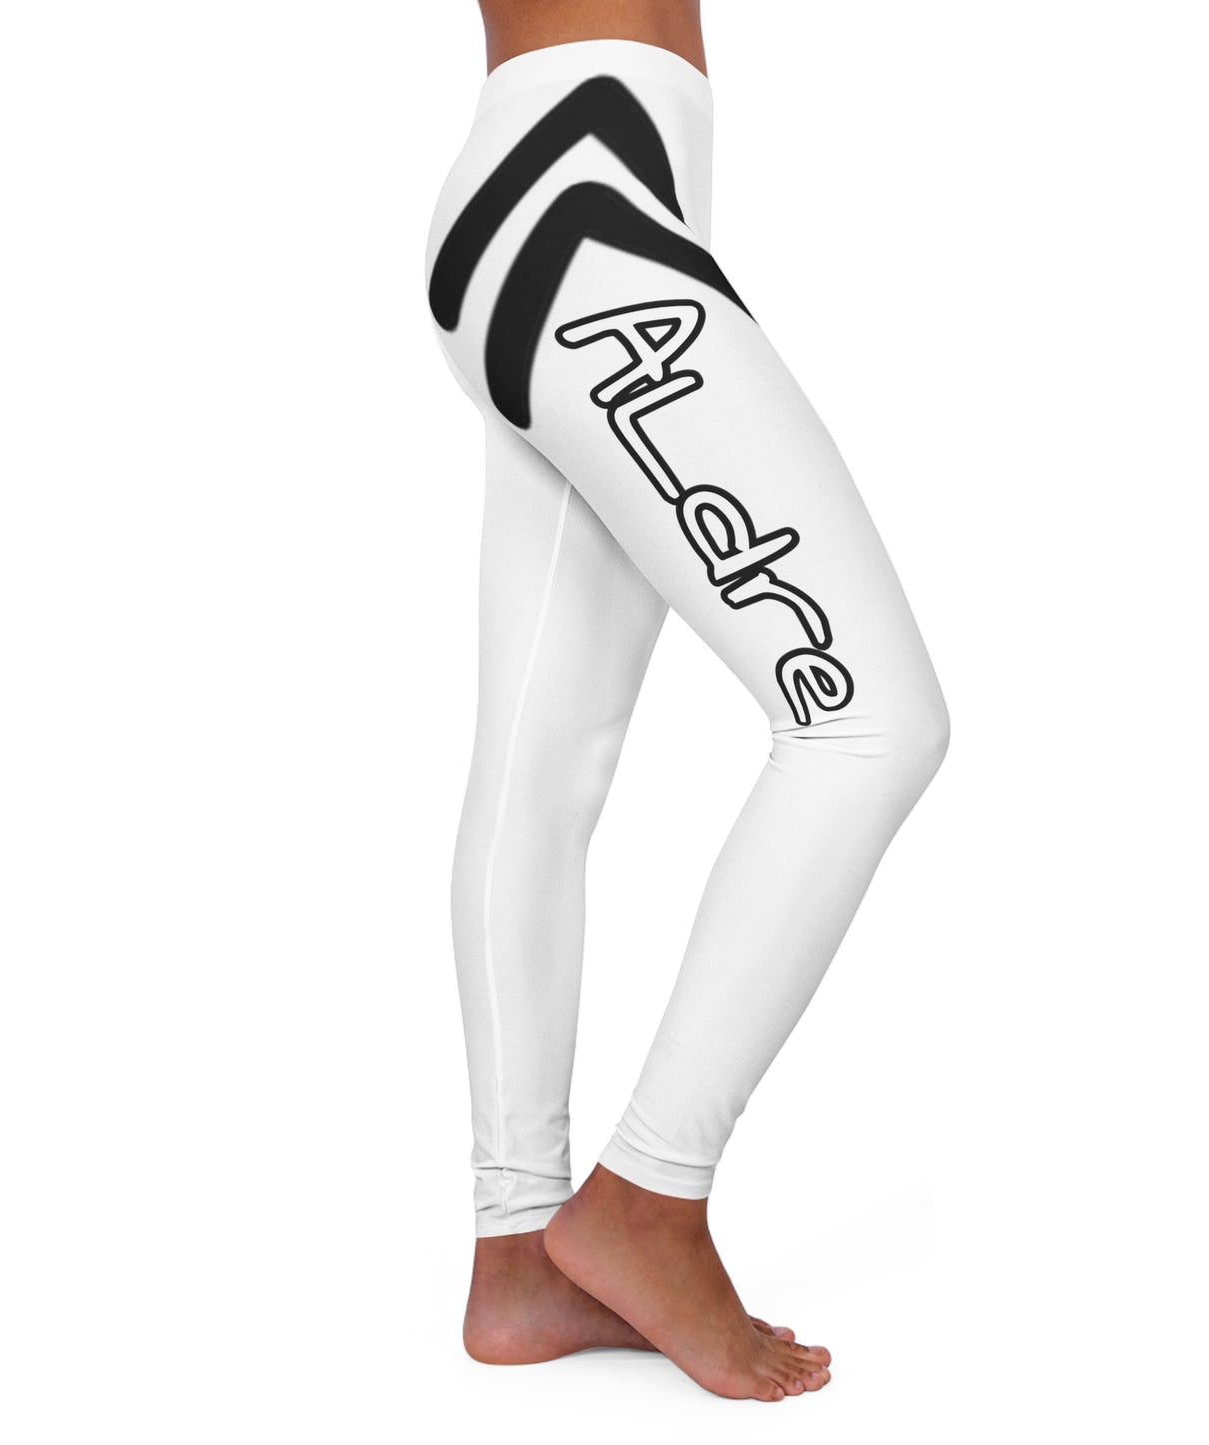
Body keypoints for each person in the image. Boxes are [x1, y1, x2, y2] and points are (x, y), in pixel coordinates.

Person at [426, 0, 949, 1402]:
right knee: (871, 724)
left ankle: (519, 1253)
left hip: (563, 186)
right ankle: (648, 1196)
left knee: (542, 765)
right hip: (578, 201)